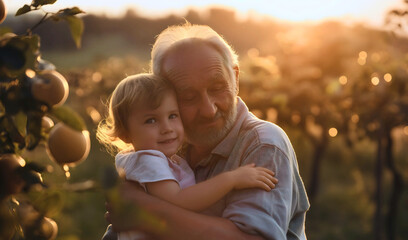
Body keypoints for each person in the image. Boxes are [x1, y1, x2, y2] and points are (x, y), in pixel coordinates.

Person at [105, 23, 310, 240]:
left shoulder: (262, 144)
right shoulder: (168, 145)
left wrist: (148, 213)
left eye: (217, 88)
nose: (208, 110)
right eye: (189, 97)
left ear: (236, 79)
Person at [97, 73, 279, 240]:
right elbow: (181, 200)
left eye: (173, 116)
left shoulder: (160, 158)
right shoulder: (147, 160)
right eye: (151, 120)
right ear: (125, 134)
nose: (167, 127)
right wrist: (232, 179)